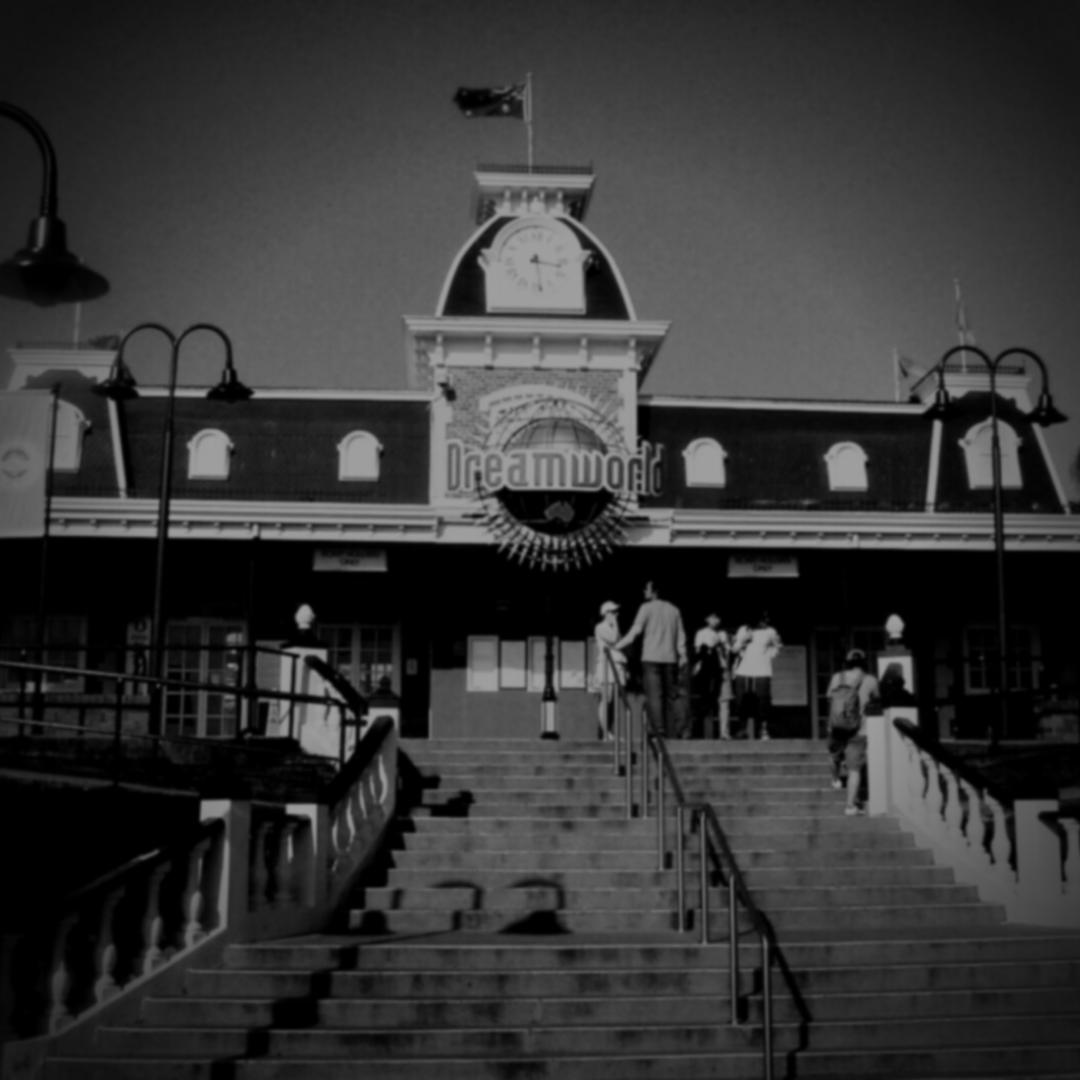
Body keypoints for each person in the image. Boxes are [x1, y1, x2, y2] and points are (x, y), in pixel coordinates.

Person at [615, 580, 688, 739]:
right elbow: (681, 637)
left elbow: (635, 631)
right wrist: (683, 656)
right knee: (673, 695)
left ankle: (658, 730)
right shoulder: (674, 610)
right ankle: (683, 729)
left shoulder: (645, 608)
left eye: (646, 588)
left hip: (650, 657)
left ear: (654, 590)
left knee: (655, 695)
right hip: (670, 658)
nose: (643, 591)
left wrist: (618, 645)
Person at [825, 648, 881, 815]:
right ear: (864, 663)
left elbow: (829, 697)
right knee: (854, 769)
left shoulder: (836, 677)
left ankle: (835, 779)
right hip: (859, 729)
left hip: (836, 727)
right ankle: (850, 806)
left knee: (833, 756)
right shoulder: (870, 680)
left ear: (847, 663)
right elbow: (877, 700)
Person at [732, 613, 782, 739]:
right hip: (744, 671)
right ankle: (742, 729)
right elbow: (734, 649)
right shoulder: (744, 629)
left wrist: (770, 656)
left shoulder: (770, 631)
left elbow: (778, 646)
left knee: (763, 702)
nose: (765, 621)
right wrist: (744, 640)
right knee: (741, 702)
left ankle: (763, 730)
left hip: (762, 672)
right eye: (762, 618)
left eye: (766, 618)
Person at [693, 613, 731, 739]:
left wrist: (725, 646)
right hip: (708, 671)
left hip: (722, 669)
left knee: (724, 701)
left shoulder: (723, 634)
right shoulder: (701, 633)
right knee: (707, 702)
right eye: (712, 617)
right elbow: (698, 653)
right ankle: (705, 733)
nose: (715, 620)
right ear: (707, 619)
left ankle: (724, 733)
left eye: (717, 617)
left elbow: (728, 652)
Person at [594, 601, 627, 740]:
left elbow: (620, 642)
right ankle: (605, 731)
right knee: (606, 697)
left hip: (617, 664)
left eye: (615, 612)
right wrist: (615, 623)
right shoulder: (600, 627)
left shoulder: (614, 628)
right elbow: (613, 640)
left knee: (613, 699)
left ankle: (610, 731)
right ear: (605, 613)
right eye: (612, 612)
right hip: (606, 665)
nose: (615, 615)